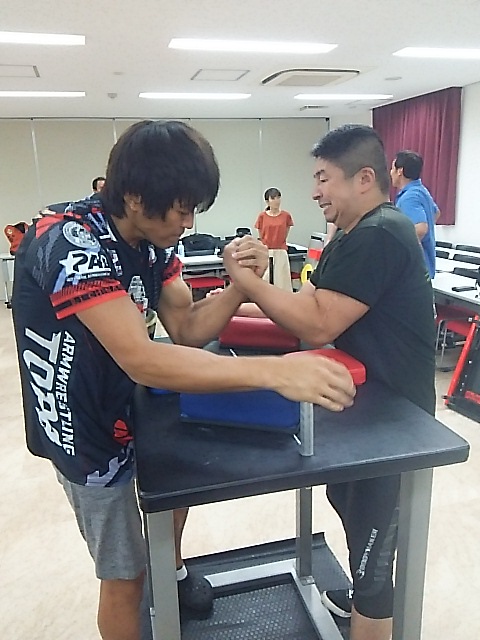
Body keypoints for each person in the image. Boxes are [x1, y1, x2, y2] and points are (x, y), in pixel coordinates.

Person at [11, 119, 356, 640]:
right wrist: (275, 371)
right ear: (134, 197)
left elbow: (188, 329)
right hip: (81, 429)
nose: (189, 222)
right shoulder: (69, 241)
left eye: (195, 208)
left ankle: (171, 573)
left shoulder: (153, 241)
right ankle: (150, 583)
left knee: (173, 497)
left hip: (132, 406)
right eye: (181, 210)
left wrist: (240, 285)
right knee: (124, 576)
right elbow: (142, 358)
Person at [226, 124, 436, 640]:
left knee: (373, 561)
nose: (315, 190)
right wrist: (238, 300)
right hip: (359, 406)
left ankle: (370, 609)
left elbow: (318, 323)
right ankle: (362, 598)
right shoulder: (349, 233)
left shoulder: (381, 232)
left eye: (323, 178)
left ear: (363, 179)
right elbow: (307, 305)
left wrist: (245, 281)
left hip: (395, 422)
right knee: (349, 509)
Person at [390, 150, 440, 279]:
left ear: (400, 171)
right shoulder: (421, 190)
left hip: (414, 271)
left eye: (392, 168)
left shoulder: (409, 197)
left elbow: (421, 229)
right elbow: (436, 213)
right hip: (424, 267)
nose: (390, 173)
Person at [255, 187, 294, 290]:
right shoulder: (262, 216)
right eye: (273, 198)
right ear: (267, 201)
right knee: (266, 280)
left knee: (282, 282)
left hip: (280, 250)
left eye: (278, 198)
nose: (276, 201)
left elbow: (286, 232)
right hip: (266, 251)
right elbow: (261, 234)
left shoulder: (286, 216)